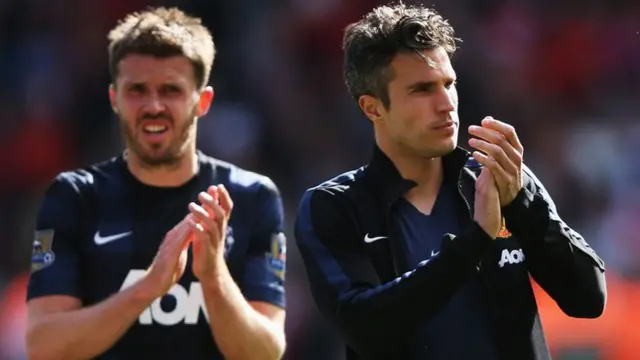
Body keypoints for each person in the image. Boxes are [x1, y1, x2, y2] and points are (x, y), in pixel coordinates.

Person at [294, 3, 606, 360]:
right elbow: (365, 327)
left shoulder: (496, 178)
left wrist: (521, 202)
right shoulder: (334, 206)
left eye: (449, 83)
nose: (446, 104)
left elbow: (588, 298)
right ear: (373, 108)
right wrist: (473, 243)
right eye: (422, 90)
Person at [25, 7, 287, 360]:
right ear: (114, 99)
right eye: (136, 90)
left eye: (171, 90)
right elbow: (44, 346)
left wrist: (212, 276)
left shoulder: (251, 197)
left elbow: (265, 353)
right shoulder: (73, 196)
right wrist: (148, 288)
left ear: (202, 102)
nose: (153, 106)